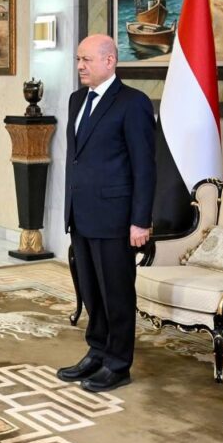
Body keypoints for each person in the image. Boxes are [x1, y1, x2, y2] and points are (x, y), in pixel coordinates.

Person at [57, 34, 155, 393]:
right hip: (81, 214)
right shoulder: (76, 100)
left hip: (115, 217)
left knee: (116, 293)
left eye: (86, 60)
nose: (80, 66)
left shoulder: (133, 102)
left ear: (110, 61)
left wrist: (140, 220)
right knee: (92, 290)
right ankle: (96, 351)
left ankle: (117, 363)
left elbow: (145, 166)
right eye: (78, 59)